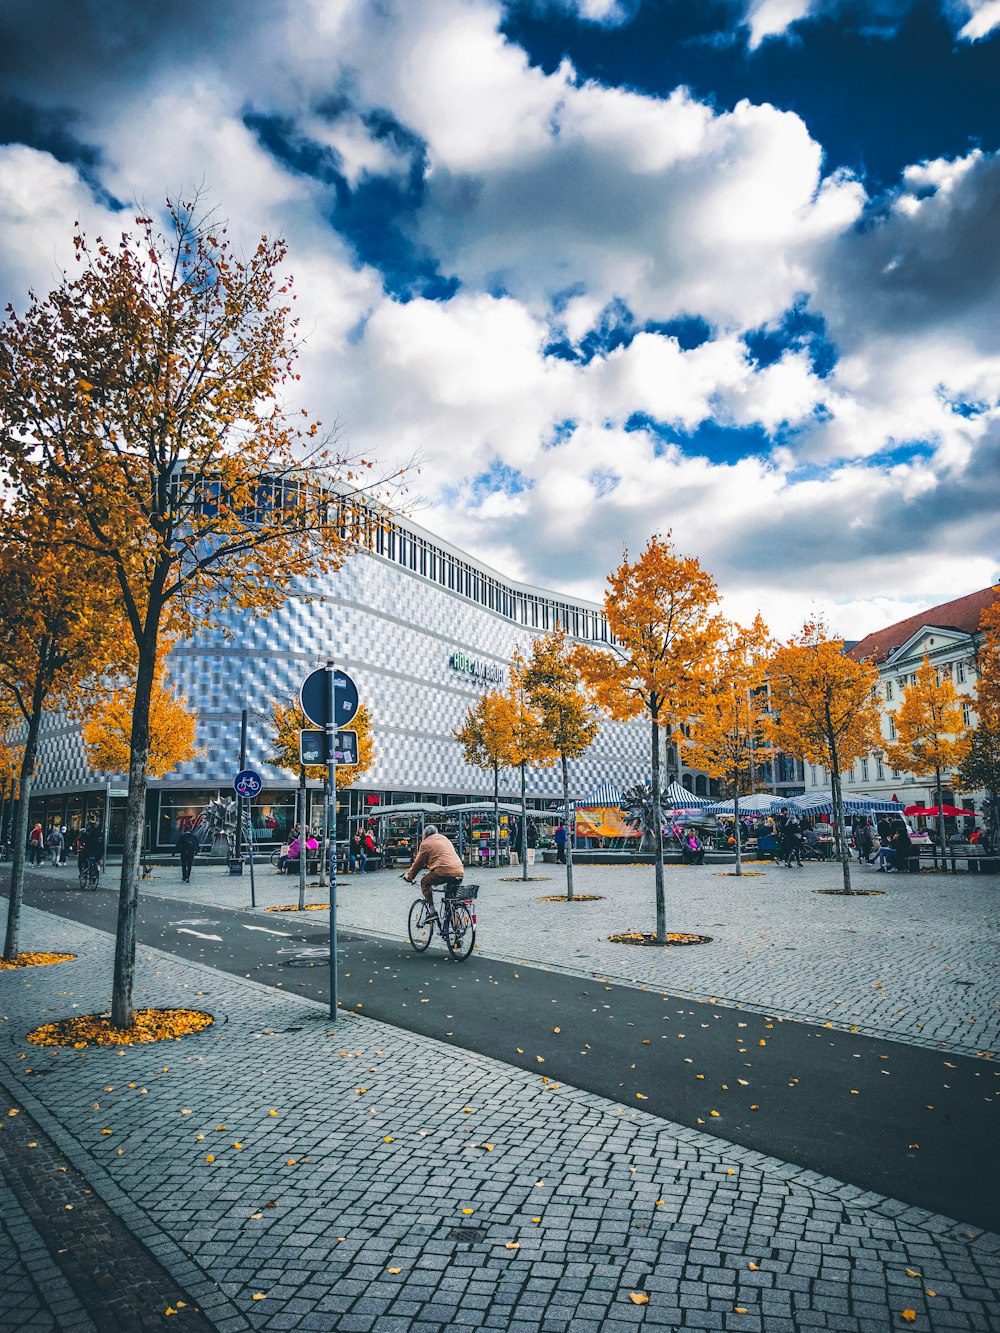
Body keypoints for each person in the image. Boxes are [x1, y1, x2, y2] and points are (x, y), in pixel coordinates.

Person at [403, 824, 464, 913]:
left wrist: (410, 877)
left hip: (442, 871)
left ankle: (432, 911)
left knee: (424, 882)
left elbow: (418, 864)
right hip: (459, 870)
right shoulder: (445, 839)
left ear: (425, 835)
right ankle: (454, 921)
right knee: (451, 900)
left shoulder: (426, 843)